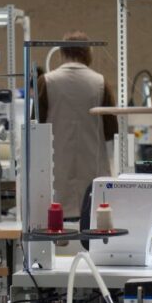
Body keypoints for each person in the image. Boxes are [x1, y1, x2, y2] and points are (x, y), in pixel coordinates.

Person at [38, 31, 118, 218]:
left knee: (57, 220)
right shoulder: (101, 82)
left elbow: (36, 128)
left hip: (55, 169)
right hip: (92, 167)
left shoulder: (47, 81)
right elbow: (111, 129)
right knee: (90, 215)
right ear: (88, 52)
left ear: (62, 52)